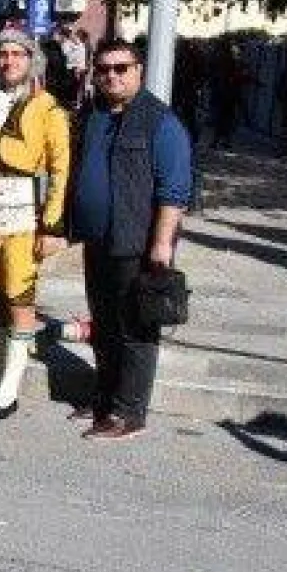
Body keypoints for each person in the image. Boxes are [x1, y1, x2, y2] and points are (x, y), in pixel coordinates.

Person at [67, 38, 193, 441]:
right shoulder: (93, 114)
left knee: (135, 329)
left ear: (138, 70)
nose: (111, 76)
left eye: (121, 68)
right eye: (104, 69)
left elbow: (174, 189)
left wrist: (162, 244)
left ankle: (129, 413)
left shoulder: (161, 121)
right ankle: (105, 399)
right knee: (103, 325)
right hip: (98, 240)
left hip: (137, 243)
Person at [0, 26, 71, 420]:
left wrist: (52, 225)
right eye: (4, 54)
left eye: (17, 54)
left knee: (19, 297)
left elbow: (60, 168)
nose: (9, 61)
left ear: (31, 59)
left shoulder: (48, 107)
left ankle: (12, 381)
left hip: (22, 212)